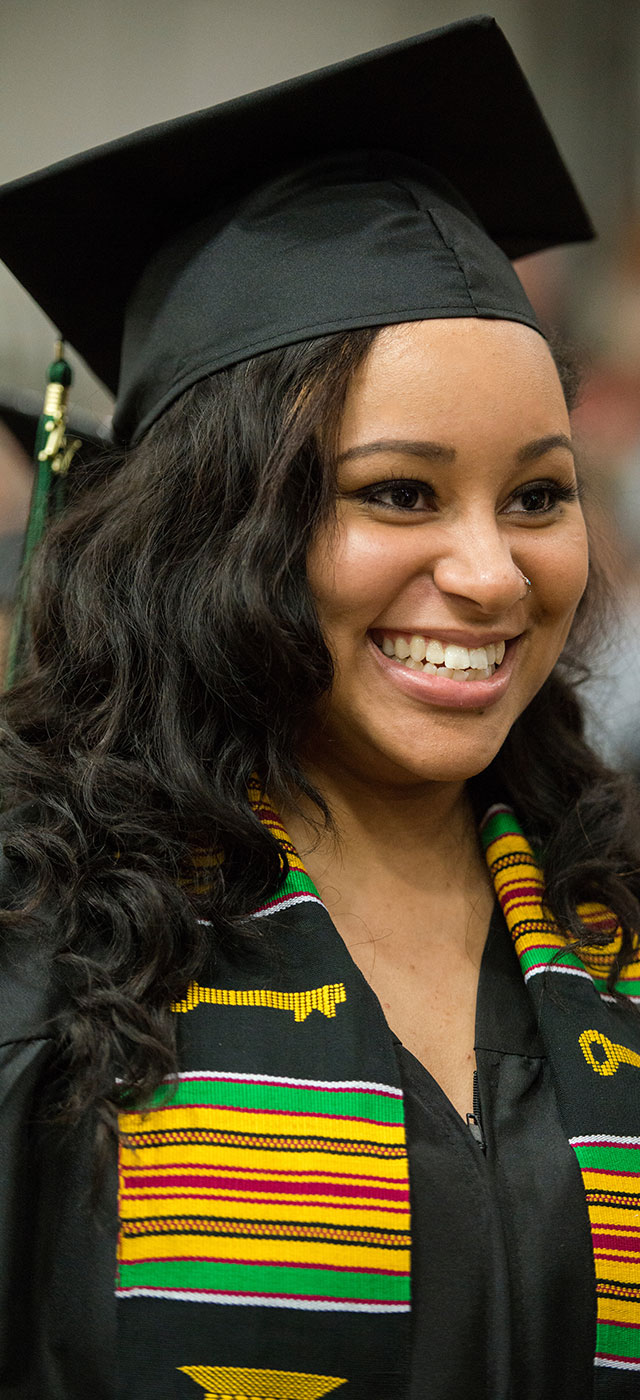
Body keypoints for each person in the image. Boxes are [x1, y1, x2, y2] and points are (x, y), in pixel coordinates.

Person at [0, 17, 639, 1400]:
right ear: (212, 527)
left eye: (537, 495)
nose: (489, 573)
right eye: (398, 493)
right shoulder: (40, 926)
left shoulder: (616, 921)